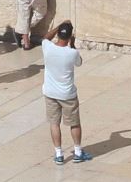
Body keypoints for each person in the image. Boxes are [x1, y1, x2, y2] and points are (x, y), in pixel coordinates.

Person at [42, 21, 92, 165]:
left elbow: (45, 37)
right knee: (74, 123)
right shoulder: (72, 53)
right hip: (67, 95)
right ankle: (77, 152)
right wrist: (73, 44)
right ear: (70, 37)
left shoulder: (47, 47)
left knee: (54, 124)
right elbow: (79, 62)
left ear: (58, 34)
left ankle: (58, 154)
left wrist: (59, 25)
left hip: (50, 93)